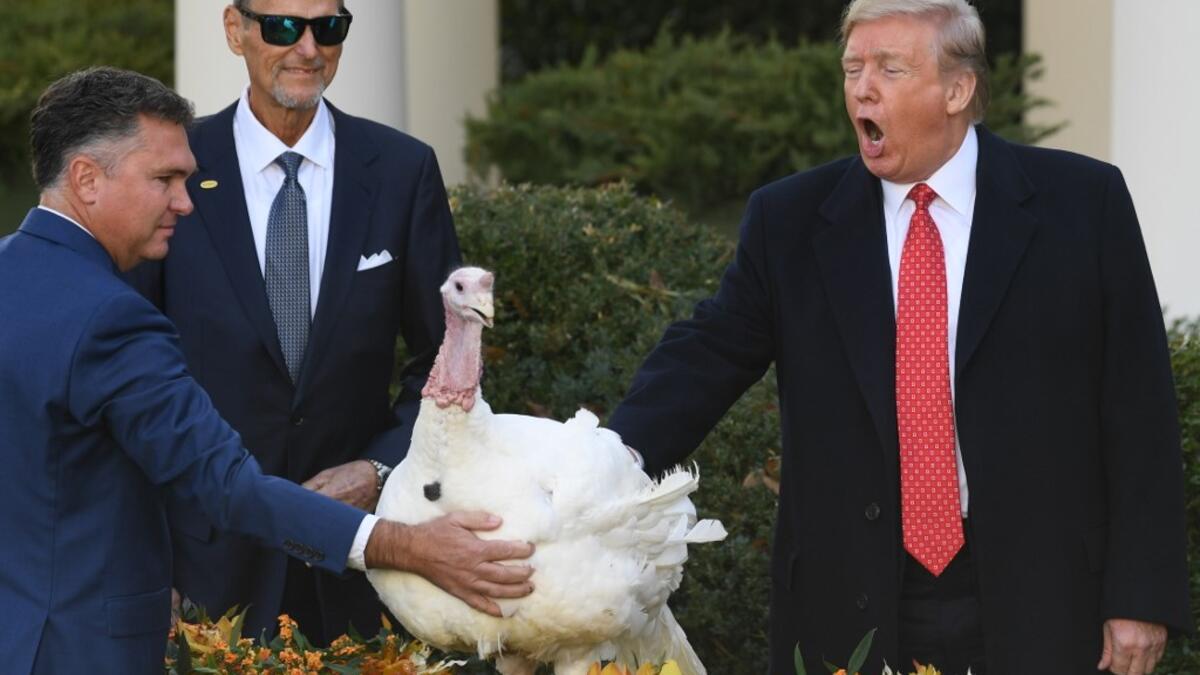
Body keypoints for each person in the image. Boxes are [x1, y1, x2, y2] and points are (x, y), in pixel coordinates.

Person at [607, 1, 1191, 673]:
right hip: (851, 598)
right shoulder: (790, 221)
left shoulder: (1083, 205)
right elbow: (704, 356)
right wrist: (596, 463)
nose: (863, 86)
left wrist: (1140, 595)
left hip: (1041, 596)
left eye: (890, 67)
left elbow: (1139, 410)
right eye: (853, 67)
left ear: (957, 89)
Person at [0, 66, 533, 674]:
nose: (185, 199)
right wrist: (407, 546)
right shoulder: (111, 319)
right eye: (166, 179)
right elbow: (228, 488)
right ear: (87, 179)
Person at [126, 0, 463, 643]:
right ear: (235, 30)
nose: (309, 48)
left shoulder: (401, 169)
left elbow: (448, 362)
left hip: (359, 565)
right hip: (202, 566)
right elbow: (126, 376)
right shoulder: (173, 165)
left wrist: (379, 468)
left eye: (328, 27)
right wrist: (142, 559)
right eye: (284, 27)